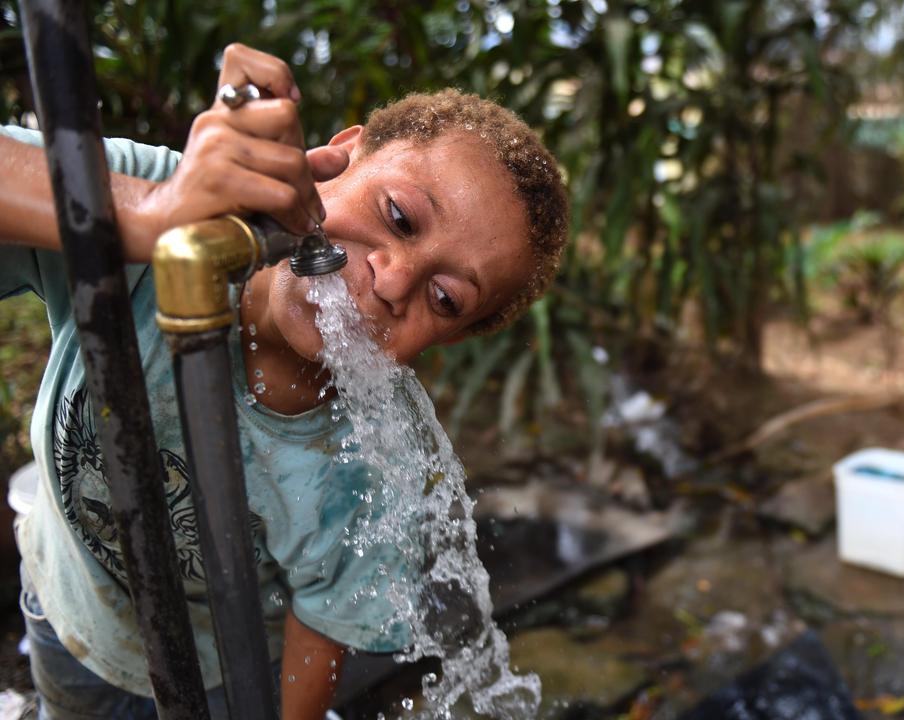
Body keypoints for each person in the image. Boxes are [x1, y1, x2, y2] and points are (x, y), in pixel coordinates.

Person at [0, 44, 569, 720]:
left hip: (220, 681)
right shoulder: (158, 218)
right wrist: (145, 215)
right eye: (399, 216)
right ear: (343, 155)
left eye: (444, 299)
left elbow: (320, 628)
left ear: (446, 341)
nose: (391, 279)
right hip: (64, 617)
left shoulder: (370, 461)